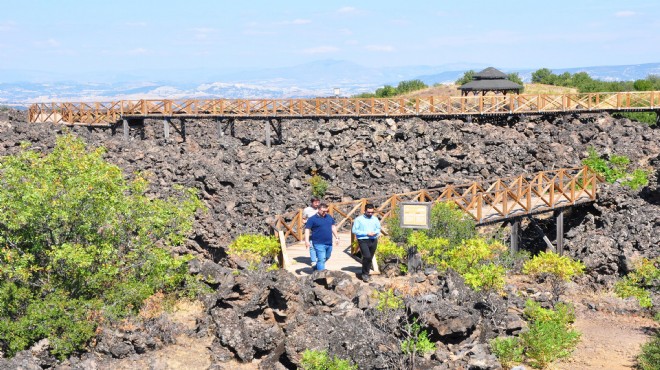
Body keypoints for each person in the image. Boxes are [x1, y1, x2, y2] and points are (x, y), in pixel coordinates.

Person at [304, 203, 339, 271]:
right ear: (318, 210)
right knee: (321, 259)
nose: (325, 213)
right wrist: (307, 241)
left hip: (329, 242)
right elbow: (307, 229)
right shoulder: (312, 219)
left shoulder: (329, 217)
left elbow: (333, 227)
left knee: (327, 257)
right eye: (323, 211)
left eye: (326, 211)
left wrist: (337, 237)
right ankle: (321, 277)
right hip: (318, 242)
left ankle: (316, 267)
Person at [352, 204, 381, 282]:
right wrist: (366, 233)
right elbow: (354, 230)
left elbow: (378, 228)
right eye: (368, 212)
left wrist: (375, 232)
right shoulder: (358, 219)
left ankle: (366, 273)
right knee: (367, 256)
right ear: (364, 211)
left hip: (373, 239)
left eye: (372, 212)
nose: (370, 214)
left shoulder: (375, 219)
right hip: (363, 239)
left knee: (370, 258)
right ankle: (364, 274)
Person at [302, 197, 320, 267]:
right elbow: (303, 219)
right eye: (315, 202)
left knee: (319, 245)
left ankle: (319, 258)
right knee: (312, 245)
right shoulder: (307, 210)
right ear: (312, 202)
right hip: (311, 230)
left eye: (318, 202)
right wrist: (307, 222)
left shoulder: (320, 209)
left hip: (320, 229)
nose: (317, 204)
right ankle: (313, 261)